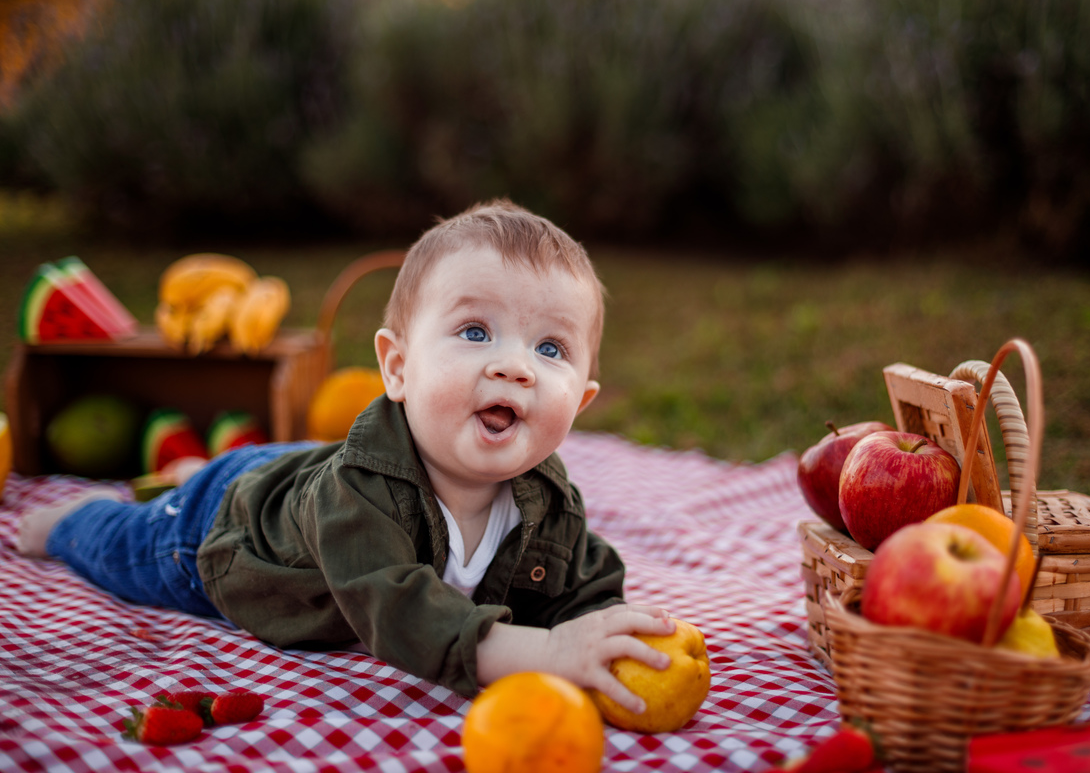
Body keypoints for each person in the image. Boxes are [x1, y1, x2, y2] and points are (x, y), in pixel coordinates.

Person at [17, 199, 673, 713]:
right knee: (131, 547)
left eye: (550, 349)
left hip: (298, 473)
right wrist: (548, 649)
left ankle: (189, 471)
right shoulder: (362, 492)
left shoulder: (547, 499)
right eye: (475, 331)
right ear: (397, 368)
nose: (515, 367)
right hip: (224, 531)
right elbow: (400, 607)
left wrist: (602, 634)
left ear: (581, 402)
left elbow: (583, 580)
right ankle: (78, 519)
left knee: (282, 468)